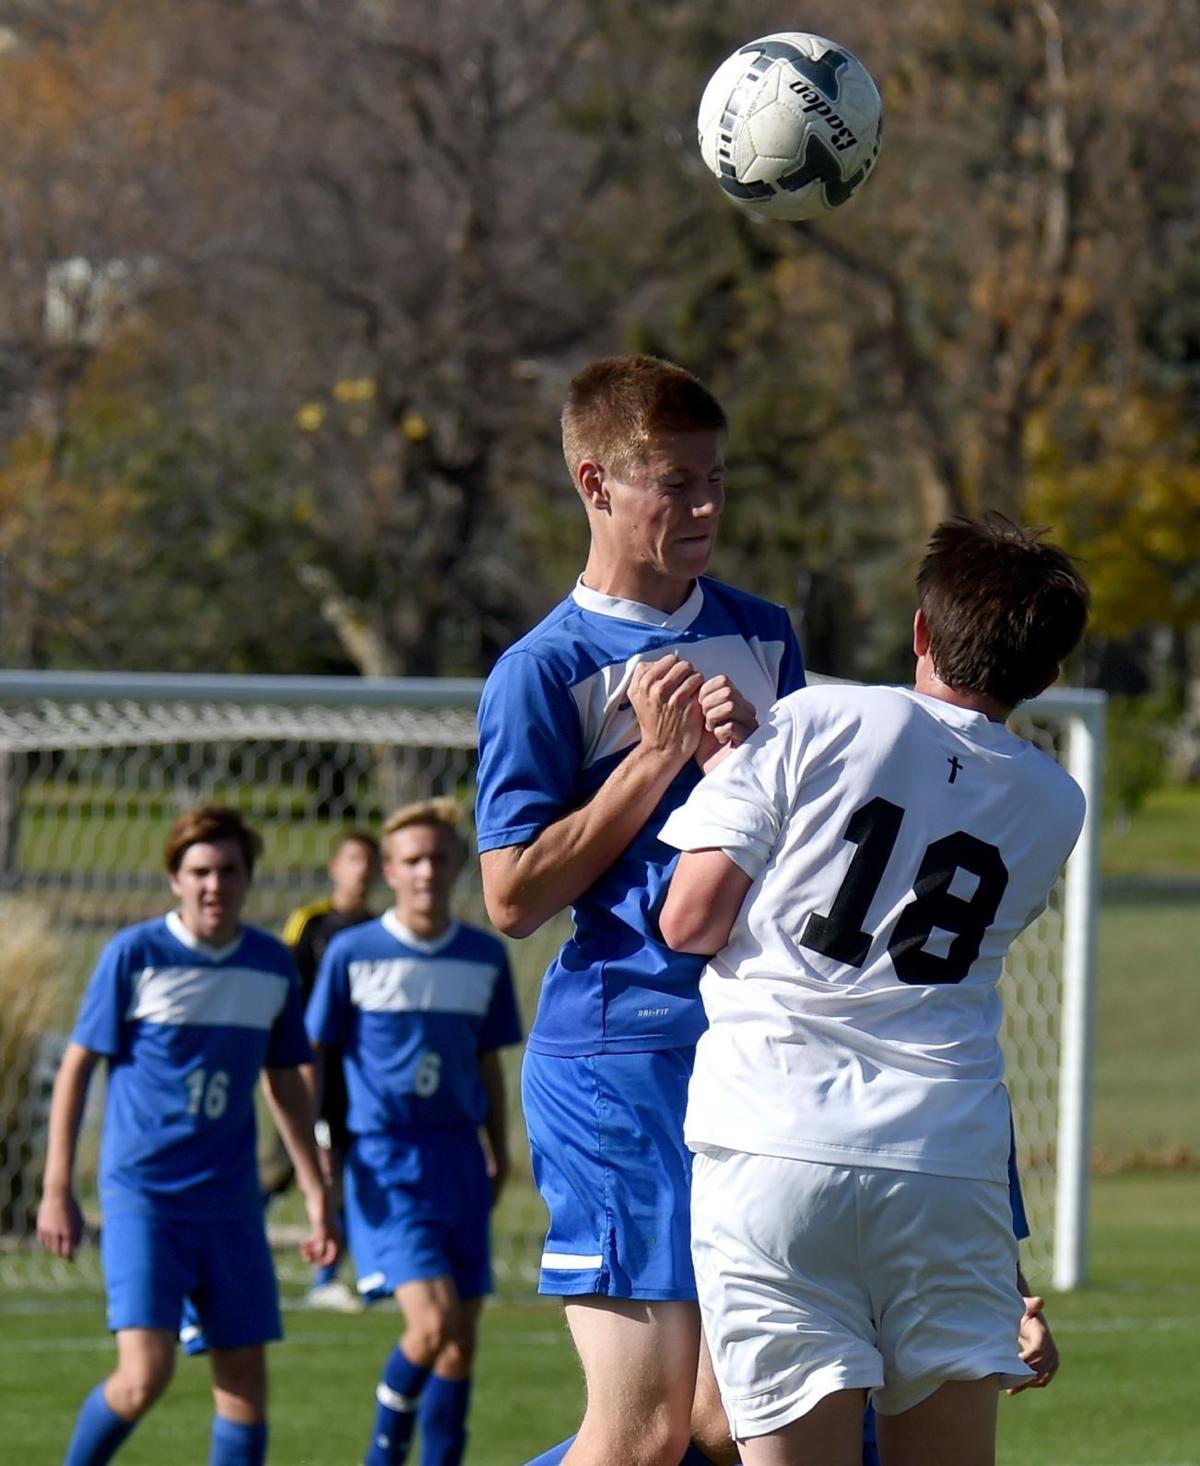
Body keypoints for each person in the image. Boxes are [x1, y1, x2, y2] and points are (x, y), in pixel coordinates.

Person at [658, 514, 1090, 1466]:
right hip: (943, 1158)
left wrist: (727, 773)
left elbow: (688, 922)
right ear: (1049, 674)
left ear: (922, 632)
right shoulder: (1057, 802)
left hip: (772, 1139)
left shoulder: (820, 718)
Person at [475, 353, 806, 1466]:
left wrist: (744, 761)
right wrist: (650, 761)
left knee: (736, 1422)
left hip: (754, 1055)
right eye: (676, 482)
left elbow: (803, 839)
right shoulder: (544, 667)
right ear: (596, 482)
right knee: (645, 1433)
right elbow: (511, 893)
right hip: (619, 1056)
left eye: (717, 478)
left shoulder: (765, 634)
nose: (706, 505)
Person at [37, 805, 336, 1466]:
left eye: (229, 870)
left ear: (247, 878)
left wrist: (316, 1190)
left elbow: (284, 1082)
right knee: (145, 1375)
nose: (214, 885)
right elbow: (78, 1068)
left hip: (230, 1203)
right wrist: (57, 1187)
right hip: (147, 1198)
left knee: (245, 1387)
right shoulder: (135, 955)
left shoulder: (269, 964)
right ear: (175, 878)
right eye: (199, 871)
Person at [306, 798, 522, 1466]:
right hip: (384, 1159)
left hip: (459, 1158)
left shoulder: (484, 956)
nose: (426, 870)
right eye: (411, 860)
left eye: (438, 857)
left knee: (461, 1339)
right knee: (429, 1328)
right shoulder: (352, 952)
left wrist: (499, 1145)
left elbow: (486, 1059)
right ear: (389, 872)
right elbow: (312, 1056)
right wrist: (322, 1153)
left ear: (459, 863)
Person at [275, 829, 380, 1310]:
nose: (361, 870)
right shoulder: (310, 924)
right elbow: (286, 989)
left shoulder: (382, 929)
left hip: (361, 1068)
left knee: (350, 1165)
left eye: (369, 861)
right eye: (352, 859)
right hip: (310, 1064)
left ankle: (335, 1274)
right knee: (288, 1162)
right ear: (334, 868)